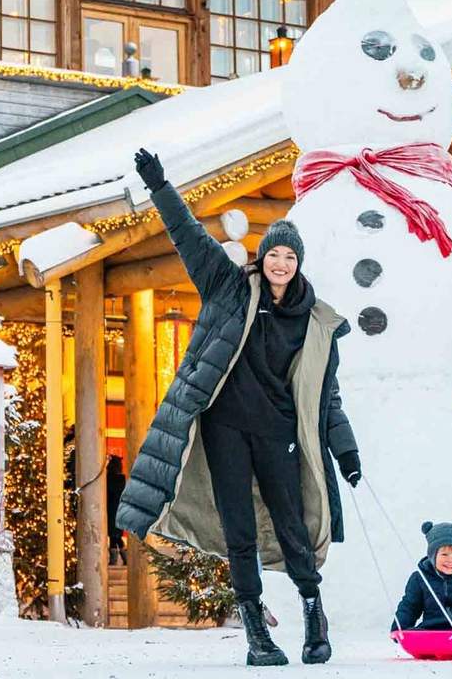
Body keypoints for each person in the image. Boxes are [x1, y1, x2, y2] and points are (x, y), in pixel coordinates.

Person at [116, 149, 361, 667]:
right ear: (262, 256)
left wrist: (347, 451)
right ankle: (256, 635)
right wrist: (159, 183)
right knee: (239, 532)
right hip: (225, 431)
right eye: (274, 254)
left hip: (278, 436)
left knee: (293, 524)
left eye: (289, 258)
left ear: (298, 265)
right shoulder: (228, 288)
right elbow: (188, 235)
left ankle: (314, 618)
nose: (280, 263)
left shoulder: (315, 322)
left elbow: (326, 397)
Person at [107, 455, 127, 565]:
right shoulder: (122, 479)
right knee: (116, 536)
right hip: (119, 510)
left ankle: (114, 559)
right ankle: (124, 557)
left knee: (114, 536)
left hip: (110, 509)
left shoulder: (108, 478)